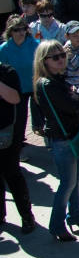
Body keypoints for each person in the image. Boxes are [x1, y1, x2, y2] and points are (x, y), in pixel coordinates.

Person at [31, 39, 79, 241]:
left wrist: (77, 95)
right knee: (67, 184)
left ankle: (76, 216)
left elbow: (77, 96)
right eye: (55, 57)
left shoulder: (58, 79)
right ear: (44, 60)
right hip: (60, 139)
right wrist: (77, 96)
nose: (61, 59)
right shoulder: (48, 84)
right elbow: (73, 106)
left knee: (75, 181)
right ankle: (57, 226)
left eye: (62, 55)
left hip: (70, 135)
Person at [0, 15, 39, 164]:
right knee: (19, 119)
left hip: (35, 86)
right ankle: (19, 147)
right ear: (10, 31)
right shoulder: (4, 49)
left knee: (46, 113)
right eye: (17, 29)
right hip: (17, 90)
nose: (21, 32)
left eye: (23, 28)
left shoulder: (35, 44)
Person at [0, 57, 32, 234]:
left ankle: (27, 216)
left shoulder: (7, 72)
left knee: (12, 175)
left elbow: (15, 98)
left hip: (7, 132)